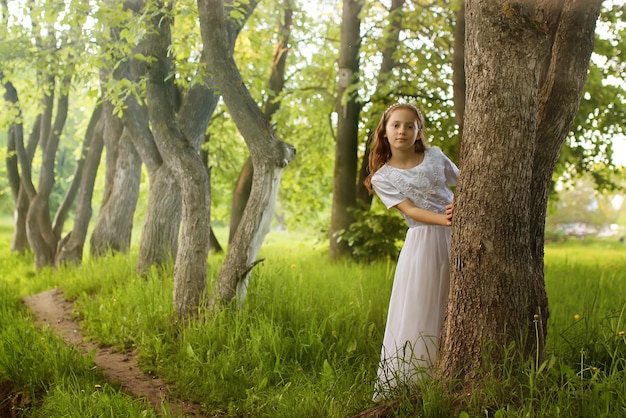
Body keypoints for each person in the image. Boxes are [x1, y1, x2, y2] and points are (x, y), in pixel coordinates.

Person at [364, 103, 458, 401]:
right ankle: (417, 382)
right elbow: (412, 211)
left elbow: (466, 182)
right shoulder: (383, 177)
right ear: (385, 131)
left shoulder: (435, 157)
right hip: (423, 243)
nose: (402, 131)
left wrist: (462, 208)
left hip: (460, 235)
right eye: (395, 125)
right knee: (423, 306)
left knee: (455, 301)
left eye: (409, 125)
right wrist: (447, 218)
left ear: (419, 131)